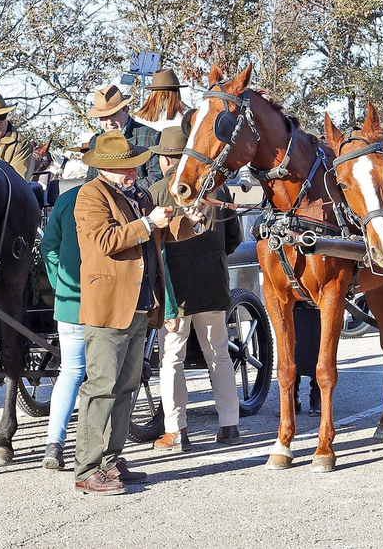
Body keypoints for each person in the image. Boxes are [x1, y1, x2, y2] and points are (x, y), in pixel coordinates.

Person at [71, 131, 201, 495]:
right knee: (101, 388)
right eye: (127, 168)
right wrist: (148, 223)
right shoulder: (90, 196)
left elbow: (163, 234)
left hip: (142, 305)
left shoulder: (138, 195)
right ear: (105, 169)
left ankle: (111, 462)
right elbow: (105, 241)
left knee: (126, 387)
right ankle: (87, 469)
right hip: (110, 307)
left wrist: (196, 221)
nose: (133, 173)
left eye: (134, 166)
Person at [148, 126, 243, 450]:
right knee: (219, 354)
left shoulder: (158, 191)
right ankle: (229, 425)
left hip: (175, 290)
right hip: (214, 283)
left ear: (164, 159)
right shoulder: (220, 189)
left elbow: (152, 247)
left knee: (172, 359)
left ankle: (177, 430)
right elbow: (235, 239)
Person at [38, 167, 88, 472]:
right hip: (103, 304)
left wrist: (61, 284)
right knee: (103, 379)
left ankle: (54, 444)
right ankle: (92, 448)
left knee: (69, 373)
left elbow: (48, 247)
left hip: (69, 302)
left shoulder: (66, 199)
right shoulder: (119, 199)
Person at [86, 84, 162, 188]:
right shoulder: (96, 141)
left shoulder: (150, 136)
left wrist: (126, 192)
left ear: (126, 111)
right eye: (103, 117)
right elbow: (91, 179)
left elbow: (156, 178)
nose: (109, 122)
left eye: (114, 115)